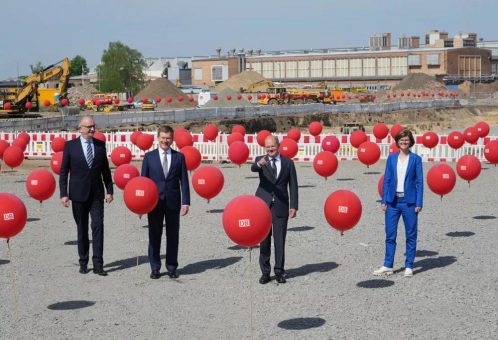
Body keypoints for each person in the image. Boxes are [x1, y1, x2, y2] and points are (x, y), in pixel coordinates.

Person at [59, 116, 113, 276]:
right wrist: (63, 194)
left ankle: (98, 265)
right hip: (78, 194)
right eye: (89, 126)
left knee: (98, 226)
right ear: (80, 128)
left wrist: (109, 190)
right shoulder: (70, 146)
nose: (92, 129)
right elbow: (63, 172)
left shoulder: (100, 145)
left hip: (96, 194)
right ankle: (83, 262)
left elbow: (106, 171)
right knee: (81, 228)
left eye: (93, 126)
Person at [141, 125, 190, 280]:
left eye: (168, 138)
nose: (165, 141)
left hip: (173, 203)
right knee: (154, 235)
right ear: (158, 138)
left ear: (172, 139)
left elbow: (184, 181)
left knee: (172, 236)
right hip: (154, 203)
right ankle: (155, 268)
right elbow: (143, 182)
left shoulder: (179, 157)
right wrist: (142, 203)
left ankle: (171, 267)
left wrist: (186, 202)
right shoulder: (149, 157)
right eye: (163, 138)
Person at [374, 129, 423, 277]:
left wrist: (419, 202)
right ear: (397, 142)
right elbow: (387, 180)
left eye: (406, 140)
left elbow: (420, 182)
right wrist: (384, 200)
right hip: (393, 202)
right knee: (390, 235)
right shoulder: (391, 158)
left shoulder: (415, 159)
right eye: (401, 140)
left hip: (409, 202)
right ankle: (388, 265)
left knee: (411, 234)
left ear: (410, 142)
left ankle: (409, 265)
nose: (404, 142)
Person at [251, 135, 298, 284]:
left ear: (278, 146)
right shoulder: (261, 159)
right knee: (264, 241)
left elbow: (294, 186)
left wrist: (293, 206)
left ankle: (279, 272)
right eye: (268, 147)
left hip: (281, 206)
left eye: (273, 146)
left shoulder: (288, 163)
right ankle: (265, 272)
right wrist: (259, 164)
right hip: (262, 206)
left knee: (279, 241)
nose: (270, 149)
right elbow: (253, 168)